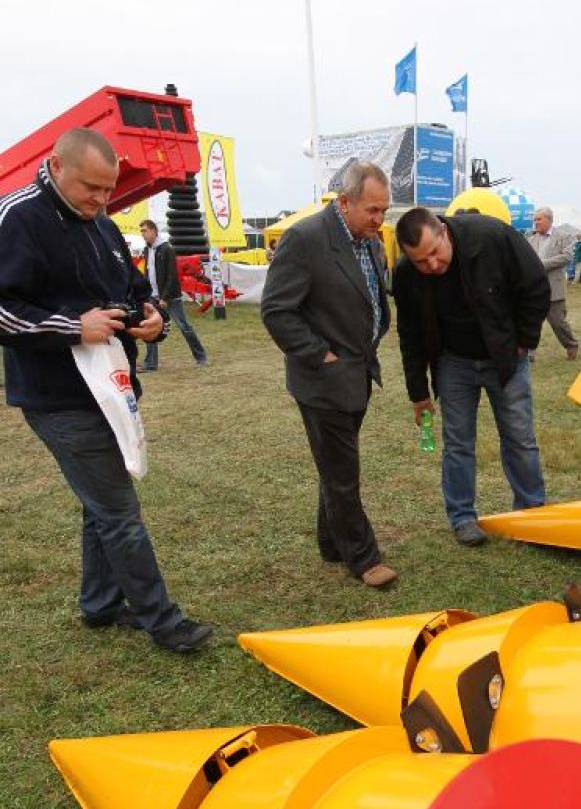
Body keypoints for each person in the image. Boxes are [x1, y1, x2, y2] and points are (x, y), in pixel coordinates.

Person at [0, 128, 213, 652]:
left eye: (108, 190)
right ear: (56, 166)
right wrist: (73, 327)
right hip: (60, 398)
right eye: (92, 188)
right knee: (119, 511)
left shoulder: (103, 225)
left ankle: (99, 606)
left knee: (104, 504)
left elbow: (135, 290)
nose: (101, 200)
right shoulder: (18, 217)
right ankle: (162, 620)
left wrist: (154, 318)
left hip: (113, 388)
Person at [261, 162, 397, 587]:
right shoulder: (305, 239)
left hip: (359, 374)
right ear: (345, 202)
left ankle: (331, 543)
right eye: (373, 210)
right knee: (343, 471)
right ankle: (363, 557)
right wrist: (320, 355)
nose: (379, 220)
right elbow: (276, 310)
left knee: (334, 465)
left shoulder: (372, 244)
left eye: (384, 211)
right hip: (322, 380)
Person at [393, 206, 549, 547]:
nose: (431, 265)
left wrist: (524, 340)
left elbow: (535, 284)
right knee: (458, 442)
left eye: (435, 253)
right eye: (420, 261)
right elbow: (410, 335)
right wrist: (418, 393)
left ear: (444, 233)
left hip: (505, 357)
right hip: (453, 362)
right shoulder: (405, 275)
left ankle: (531, 513)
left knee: (519, 437)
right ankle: (462, 517)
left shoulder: (491, 237)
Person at [139, 219, 208, 369]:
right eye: (141, 231)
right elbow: (148, 273)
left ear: (153, 230)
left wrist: (164, 297)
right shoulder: (147, 250)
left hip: (169, 297)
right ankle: (151, 363)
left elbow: (172, 276)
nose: (142, 234)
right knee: (151, 328)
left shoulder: (167, 249)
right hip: (153, 295)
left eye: (144, 231)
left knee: (184, 326)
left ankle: (201, 357)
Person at [526, 207, 579, 358]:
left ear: (549, 220)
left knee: (557, 322)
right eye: (534, 220)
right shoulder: (531, 239)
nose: (535, 223)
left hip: (554, 288)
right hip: (534, 289)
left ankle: (571, 344)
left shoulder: (563, 236)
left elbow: (567, 257)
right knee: (531, 322)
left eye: (539, 219)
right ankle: (530, 353)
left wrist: (543, 264)